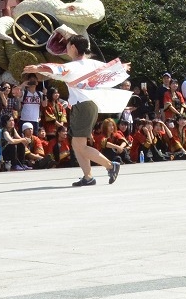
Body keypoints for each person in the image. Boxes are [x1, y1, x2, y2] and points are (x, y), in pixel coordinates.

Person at [24, 35, 131, 186]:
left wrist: (38, 67)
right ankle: (88, 177)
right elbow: (109, 69)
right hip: (88, 106)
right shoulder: (93, 63)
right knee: (76, 144)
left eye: (68, 46)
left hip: (83, 106)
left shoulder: (74, 66)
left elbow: (56, 69)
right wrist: (122, 67)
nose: (66, 49)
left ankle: (110, 165)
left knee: (79, 145)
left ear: (73, 47)